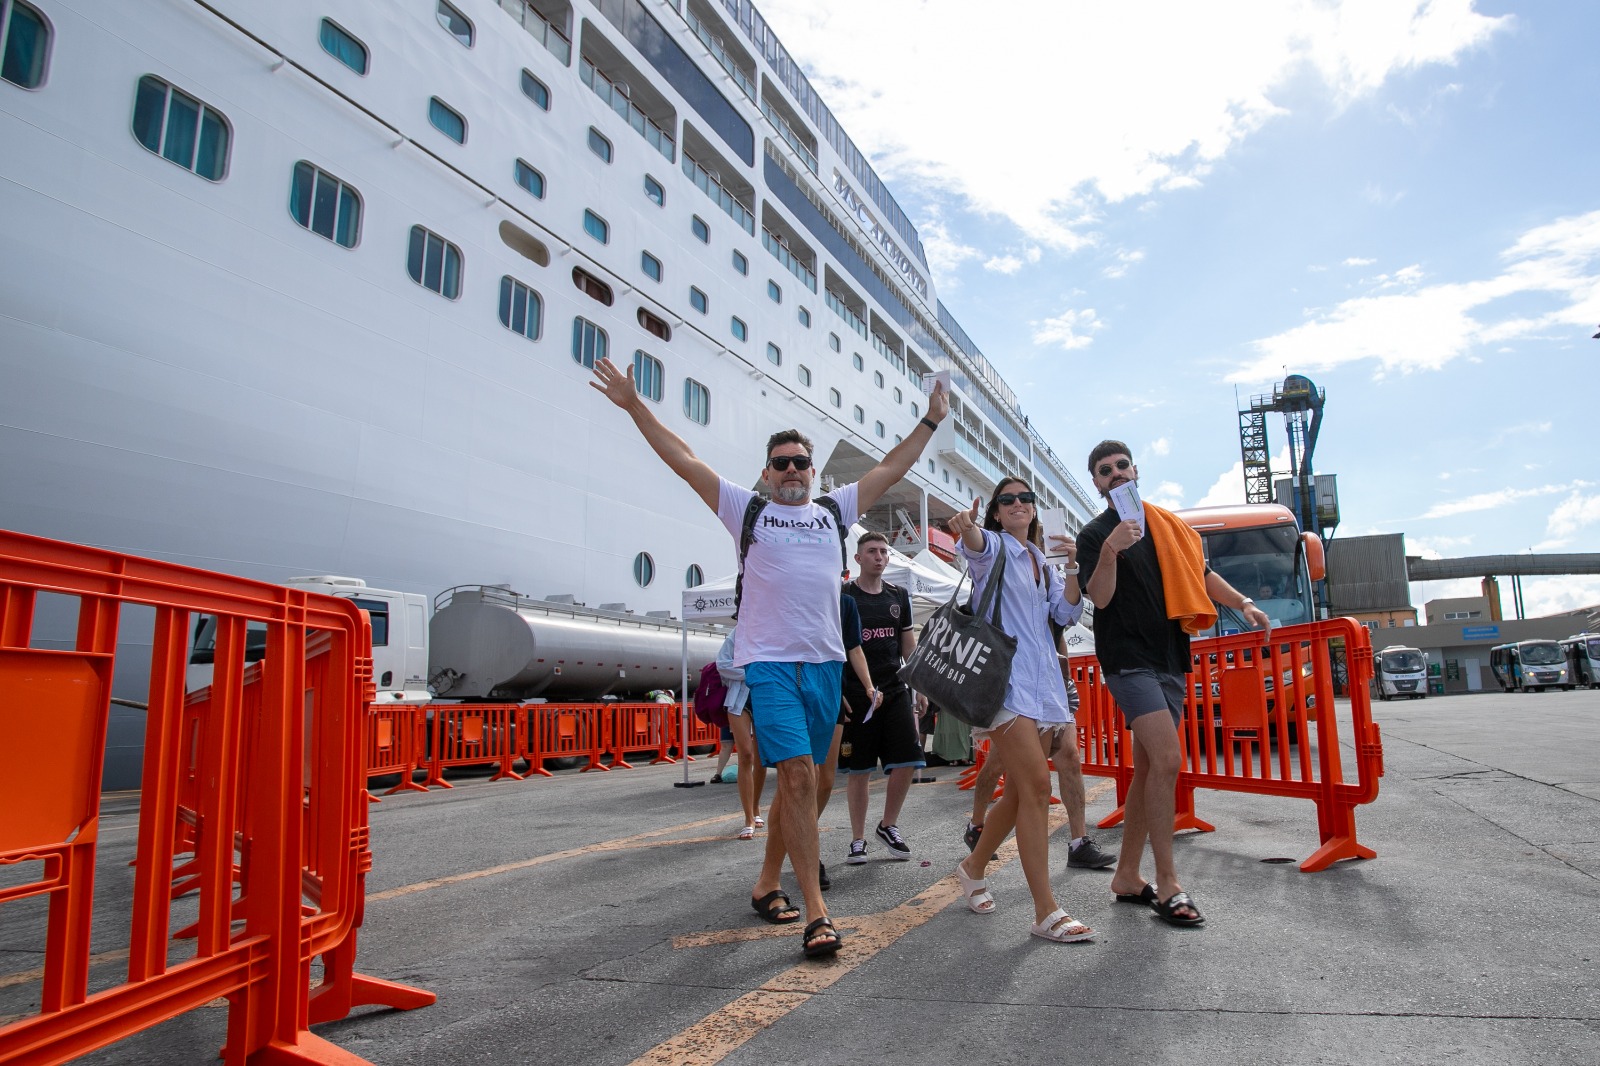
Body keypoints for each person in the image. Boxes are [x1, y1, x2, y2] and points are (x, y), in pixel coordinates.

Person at [589, 356, 947, 958]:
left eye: (800, 462)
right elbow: (683, 459)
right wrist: (633, 406)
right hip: (771, 665)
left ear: (813, 470)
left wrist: (930, 423)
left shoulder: (834, 511)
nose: (790, 470)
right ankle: (816, 911)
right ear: (766, 471)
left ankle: (764, 882)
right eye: (780, 463)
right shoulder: (747, 510)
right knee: (800, 778)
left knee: (816, 785)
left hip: (826, 666)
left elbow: (892, 465)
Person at [1076, 440, 1272, 928]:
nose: (1116, 474)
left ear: (1135, 470)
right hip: (1127, 661)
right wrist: (1109, 551)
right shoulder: (1096, 534)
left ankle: (1125, 874)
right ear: (1097, 483)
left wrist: (1244, 604)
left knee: (1148, 770)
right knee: (1167, 760)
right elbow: (1099, 599)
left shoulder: (1172, 528)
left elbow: (1203, 576)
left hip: (1169, 657)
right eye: (1105, 471)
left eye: (1122, 466)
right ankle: (1168, 884)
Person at [950, 477, 1094, 943]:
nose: (1018, 504)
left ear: (1034, 510)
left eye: (1026, 499)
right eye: (1007, 499)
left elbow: (1066, 615)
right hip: (1005, 682)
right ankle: (1045, 911)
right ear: (995, 512)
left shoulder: (1040, 560)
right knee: (1034, 786)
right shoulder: (992, 545)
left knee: (1017, 794)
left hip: (1045, 685)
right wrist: (968, 527)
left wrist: (1073, 568)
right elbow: (974, 546)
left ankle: (972, 868)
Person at [963, 624, 1115, 870]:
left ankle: (1079, 843)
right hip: (1017, 678)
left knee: (1070, 756)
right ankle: (976, 825)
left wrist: (1063, 679)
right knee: (998, 765)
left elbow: (1058, 633)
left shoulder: (1052, 585)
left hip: (1052, 678)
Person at [839, 531, 922, 864]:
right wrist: (840, 691)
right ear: (858, 559)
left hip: (894, 689)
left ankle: (888, 825)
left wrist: (919, 686)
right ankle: (857, 839)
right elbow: (837, 646)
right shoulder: (845, 596)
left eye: (884, 552)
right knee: (859, 770)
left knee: (908, 761)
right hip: (857, 695)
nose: (879, 556)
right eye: (871, 551)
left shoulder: (899, 595)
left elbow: (908, 645)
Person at [814, 591, 877, 890]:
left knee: (825, 781)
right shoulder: (794, 589)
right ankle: (807, 852)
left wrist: (867, 687)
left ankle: (800, 834)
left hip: (830, 691)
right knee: (798, 777)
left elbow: (853, 649)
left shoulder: (844, 603)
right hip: (793, 687)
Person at [715, 630, 766, 839]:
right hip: (739, 699)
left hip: (766, 697)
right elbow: (722, 664)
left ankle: (755, 807)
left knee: (762, 759)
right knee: (746, 755)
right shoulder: (737, 634)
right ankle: (748, 818)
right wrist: (751, 672)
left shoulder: (772, 627)